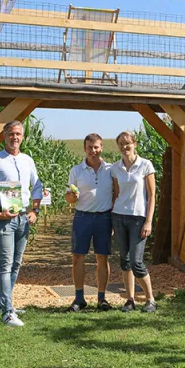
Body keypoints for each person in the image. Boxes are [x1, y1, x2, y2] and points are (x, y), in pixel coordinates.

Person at [0, 120, 42, 327]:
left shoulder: (28, 160)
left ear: (22, 137)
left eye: (18, 134)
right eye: (10, 134)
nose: (14, 137)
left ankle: (2, 302)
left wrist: (35, 211)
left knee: (16, 263)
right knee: (5, 265)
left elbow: (37, 187)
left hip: (22, 218)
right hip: (3, 220)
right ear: (4, 136)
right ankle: (7, 312)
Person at [65, 133, 113, 312]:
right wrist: (72, 196)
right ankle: (79, 298)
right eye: (89, 147)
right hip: (82, 217)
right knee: (78, 257)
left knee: (102, 257)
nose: (93, 151)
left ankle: (102, 298)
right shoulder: (76, 170)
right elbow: (69, 198)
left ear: (101, 148)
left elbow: (116, 193)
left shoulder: (110, 169)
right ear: (84, 149)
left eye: (96, 147)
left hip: (104, 217)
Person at [111, 131, 158, 313]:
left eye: (127, 143)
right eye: (121, 144)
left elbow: (152, 195)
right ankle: (130, 300)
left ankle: (150, 299)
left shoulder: (145, 165)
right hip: (119, 216)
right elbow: (116, 194)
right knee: (125, 260)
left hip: (138, 218)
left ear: (135, 144)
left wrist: (149, 221)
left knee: (136, 261)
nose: (124, 147)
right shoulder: (116, 168)